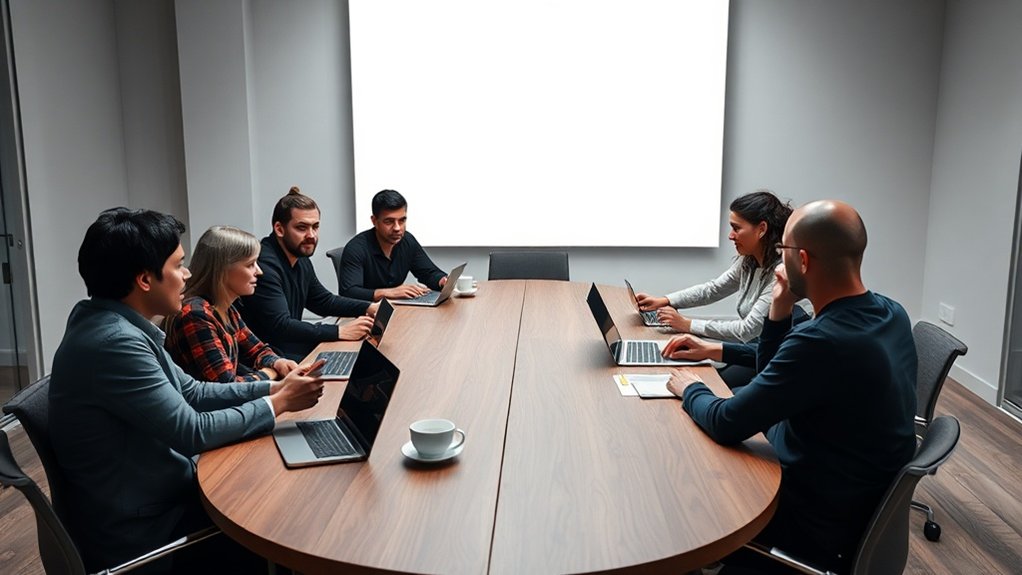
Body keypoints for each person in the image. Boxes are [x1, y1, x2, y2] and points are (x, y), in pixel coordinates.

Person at [49, 208, 327, 572]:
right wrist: (279, 404)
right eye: (178, 265)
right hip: (150, 527)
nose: (188, 275)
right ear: (145, 279)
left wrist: (275, 387)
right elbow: (192, 430)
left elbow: (193, 391)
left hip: (160, 496)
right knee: (289, 515)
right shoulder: (115, 343)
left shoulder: (113, 324)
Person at [664, 200, 917, 574]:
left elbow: (726, 422)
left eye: (782, 250)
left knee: (678, 498)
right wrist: (779, 310)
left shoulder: (822, 341)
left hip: (810, 524)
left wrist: (691, 387)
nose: (778, 260)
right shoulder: (892, 313)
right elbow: (774, 379)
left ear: (803, 260)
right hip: (851, 499)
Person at [636, 191, 796, 344]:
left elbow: (748, 331)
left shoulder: (781, 274)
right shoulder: (749, 262)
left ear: (761, 229)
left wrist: (687, 324)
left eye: (736, 228)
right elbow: (713, 289)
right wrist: (665, 300)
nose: (730, 236)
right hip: (756, 349)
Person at [240, 187, 378, 361]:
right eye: (302, 228)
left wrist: (368, 307)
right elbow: (281, 325)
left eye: (315, 227)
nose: (311, 235)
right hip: (270, 357)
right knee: (360, 361)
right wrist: (340, 331)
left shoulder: (299, 256)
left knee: (367, 354)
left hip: (288, 345)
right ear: (279, 229)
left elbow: (322, 301)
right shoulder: (264, 266)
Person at [164, 225, 298, 382]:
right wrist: (270, 372)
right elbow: (228, 386)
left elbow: (257, 350)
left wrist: (278, 363)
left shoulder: (226, 308)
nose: (259, 271)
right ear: (222, 270)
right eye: (250, 264)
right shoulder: (195, 315)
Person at [338, 189, 448, 301]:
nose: (397, 228)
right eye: (389, 221)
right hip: (366, 309)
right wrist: (387, 293)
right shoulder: (356, 248)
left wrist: (443, 281)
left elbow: (429, 273)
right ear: (374, 221)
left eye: (402, 221)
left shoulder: (407, 241)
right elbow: (348, 292)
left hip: (397, 307)